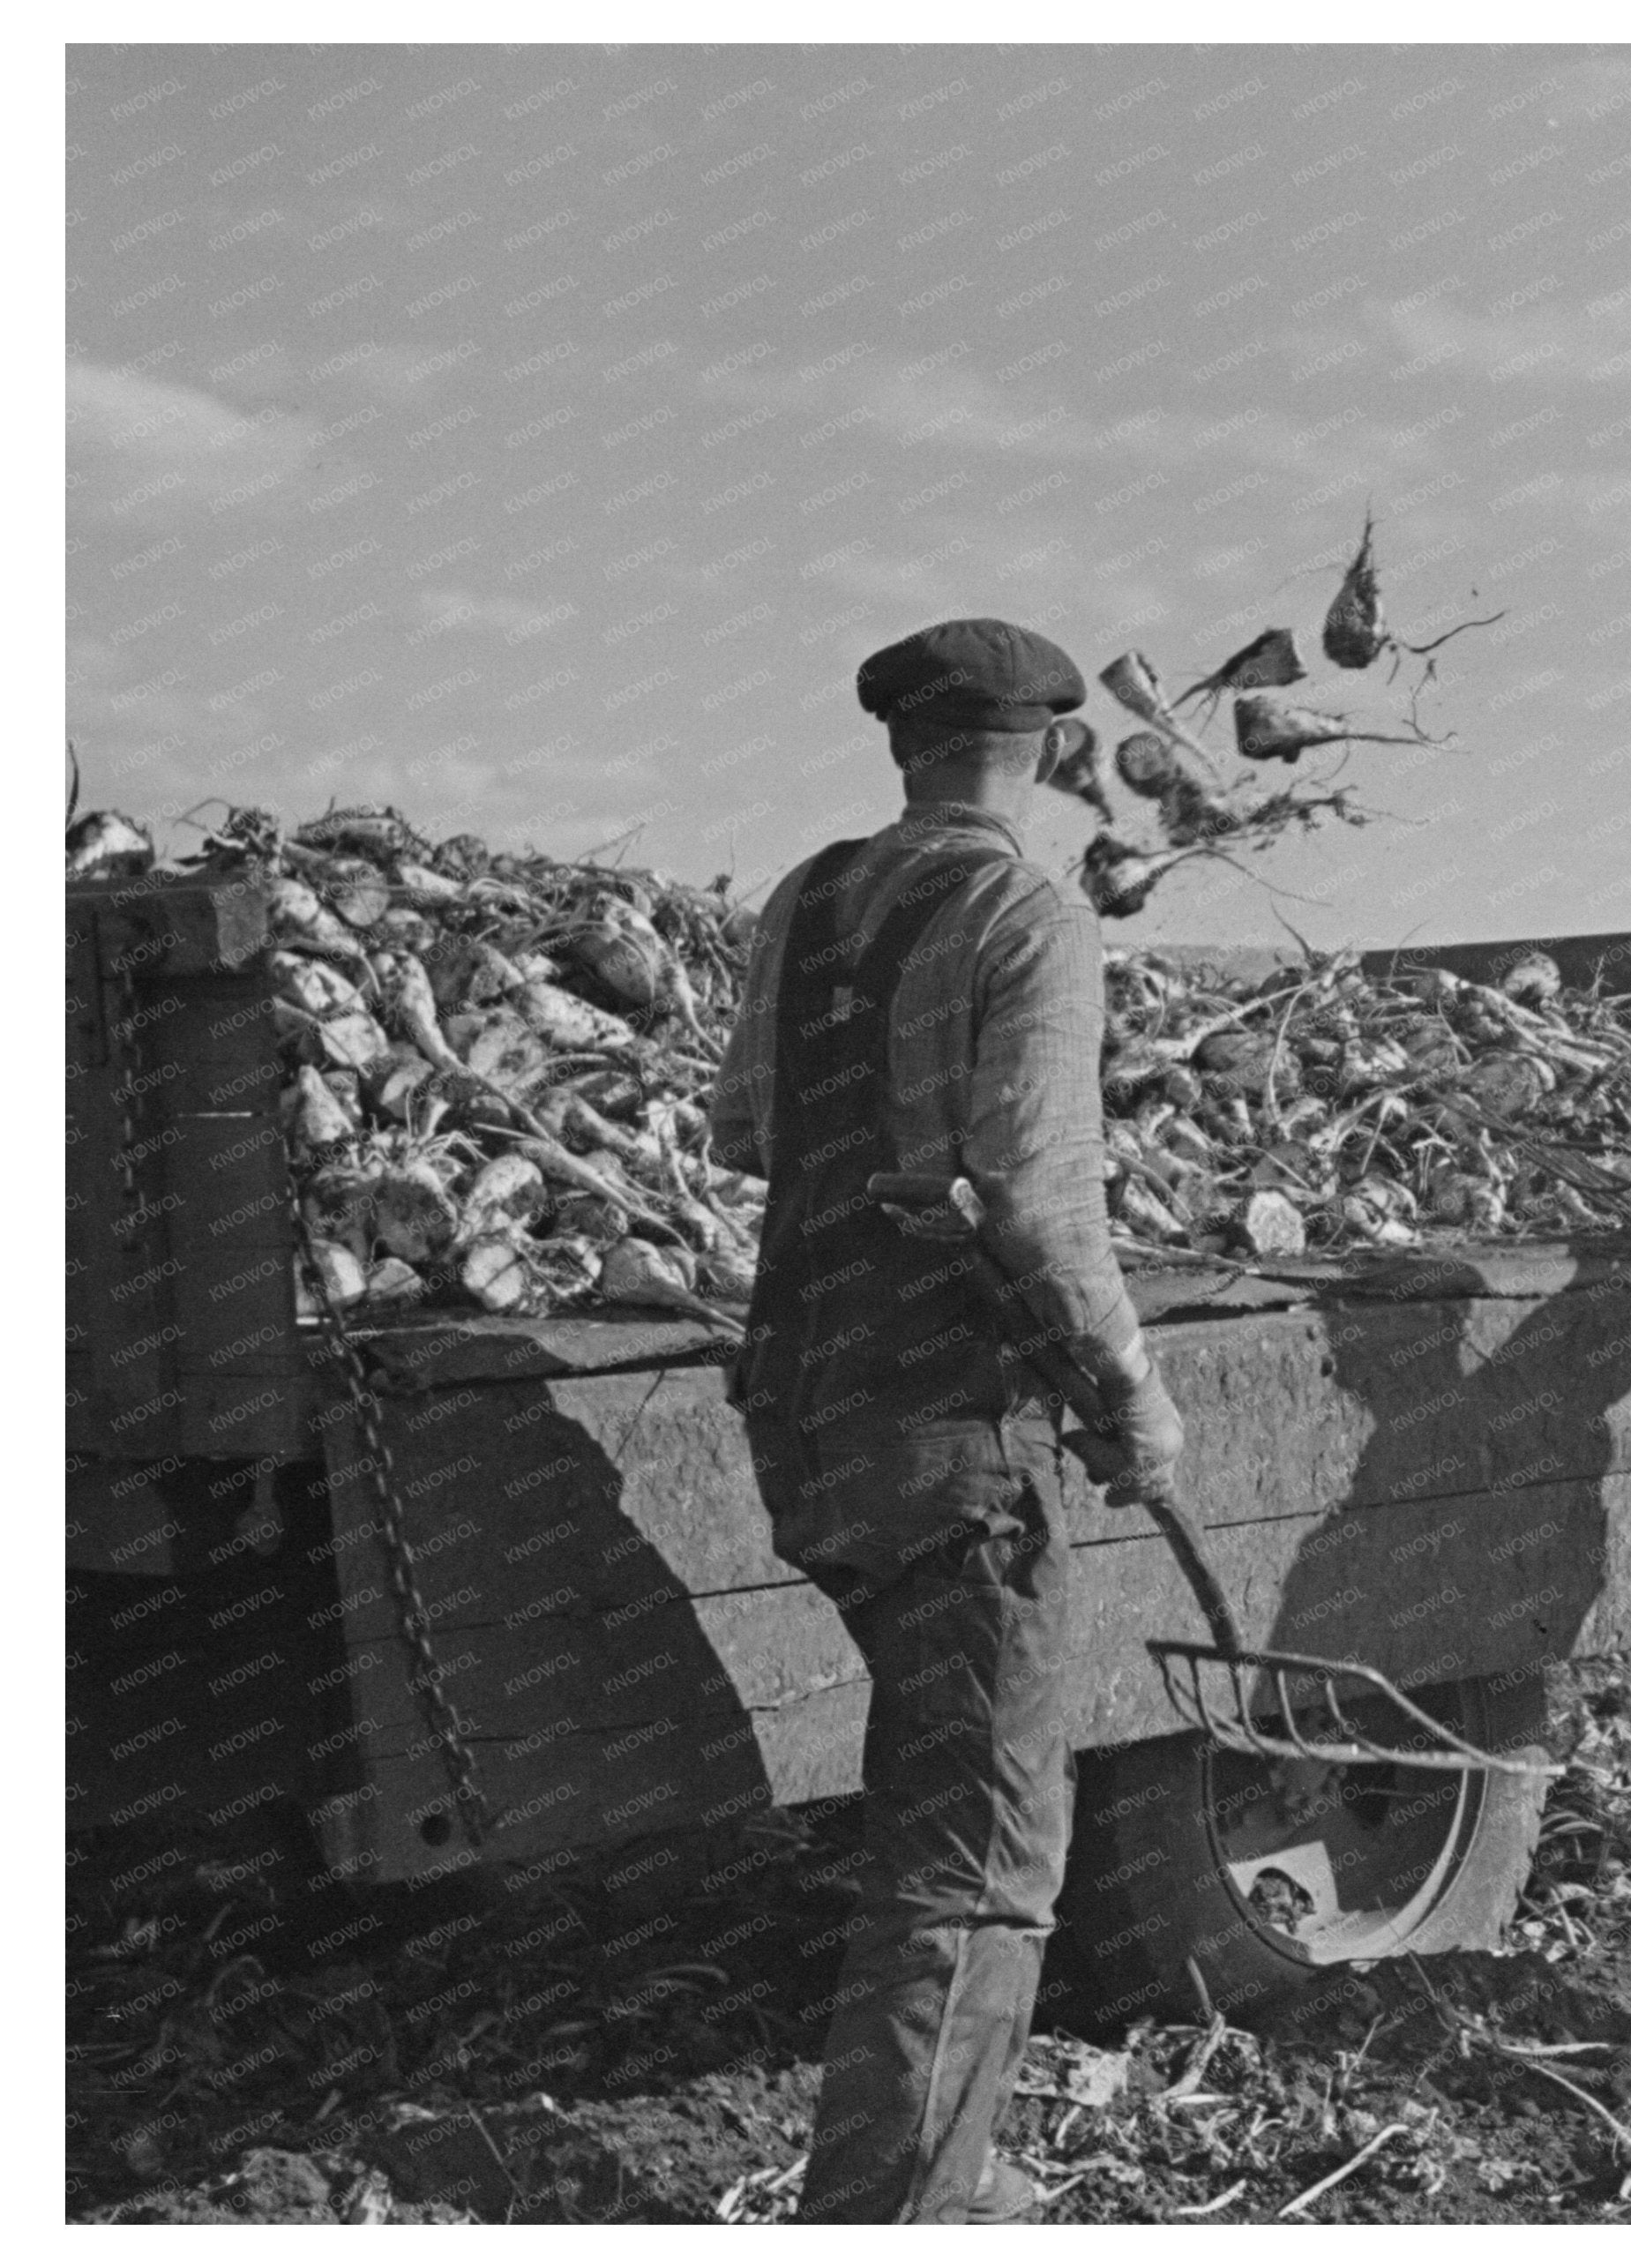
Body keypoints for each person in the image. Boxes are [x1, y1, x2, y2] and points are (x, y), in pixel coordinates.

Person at [709, 618, 1187, 2219]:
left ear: (901, 749)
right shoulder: (1028, 915)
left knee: (936, 1799)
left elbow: (745, 1134)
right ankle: (894, 2217)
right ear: (1054, 751)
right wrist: (1132, 1397)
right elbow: (1043, 1200)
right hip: (947, 1425)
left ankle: (934, 2176)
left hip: (798, 1399)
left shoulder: (806, 899)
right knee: (978, 1865)